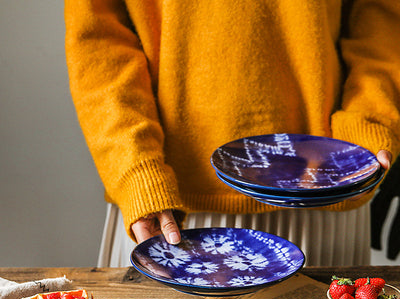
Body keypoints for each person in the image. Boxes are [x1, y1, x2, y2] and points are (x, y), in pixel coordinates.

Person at [64, 0, 400, 268]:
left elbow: (384, 19)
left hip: (324, 188)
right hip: (168, 208)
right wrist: (137, 171)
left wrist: (369, 122)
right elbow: (98, 42)